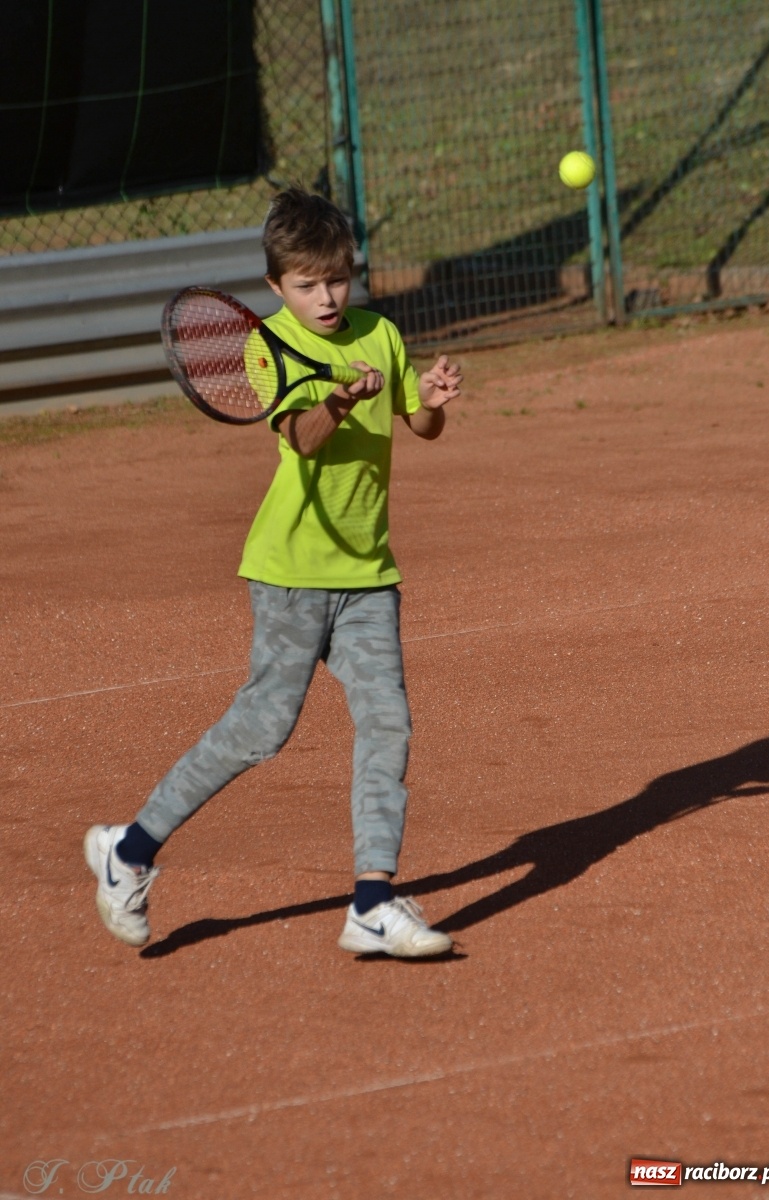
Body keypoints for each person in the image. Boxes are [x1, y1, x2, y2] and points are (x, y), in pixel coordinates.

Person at [84, 187, 463, 958]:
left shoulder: (381, 333)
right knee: (262, 729)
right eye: (306, 284)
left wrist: (425, 400)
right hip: (290, 572)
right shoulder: (269, 347)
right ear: (275, 288)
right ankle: (129, 850)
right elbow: (302, 436)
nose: (326, 297)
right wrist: (335, 395)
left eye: (336, 278)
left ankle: (371, 901)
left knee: (386, 722)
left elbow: (417, 427)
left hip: (365, 573)